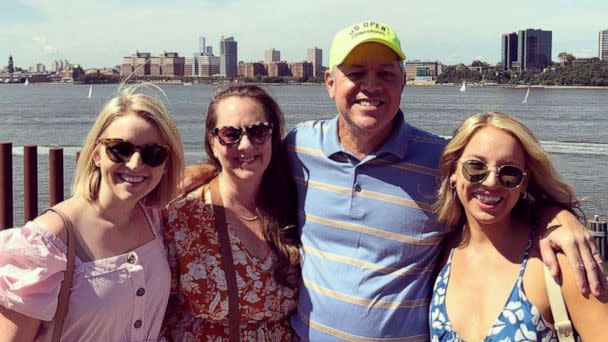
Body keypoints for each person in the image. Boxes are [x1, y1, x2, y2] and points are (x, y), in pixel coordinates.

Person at [184, 20, 604, 341]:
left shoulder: (441, 161)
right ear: (330, 83)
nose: (371, 86)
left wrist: (557, 216)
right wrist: (187, 174)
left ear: (403, 82)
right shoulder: (300, 147)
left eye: (385, 73)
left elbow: (495, 194)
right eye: (356, 73)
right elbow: (246, 166)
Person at [0, 84, 185, 341]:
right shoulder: (48, 242)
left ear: (166, 164)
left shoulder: (153, 218)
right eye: (120, 149)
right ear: (97, 154)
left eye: (154, 154)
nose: (135, 163)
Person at [430, 112, 608, 341]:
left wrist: (557, 213)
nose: (491, 181)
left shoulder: (559, 264)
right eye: (475, 167)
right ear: (453, 171)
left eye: (509, 173)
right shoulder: (441, 250)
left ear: (524, 182)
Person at [162, 85, 300, 341]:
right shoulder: (184, 216)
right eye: (230, 134)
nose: (246, 145)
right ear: (212, 143)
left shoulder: (294, 205)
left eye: (258, 131)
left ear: (272, 136)